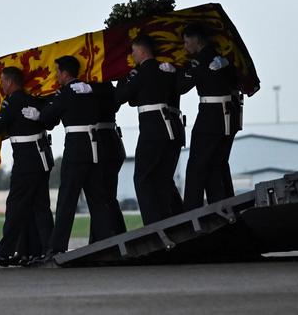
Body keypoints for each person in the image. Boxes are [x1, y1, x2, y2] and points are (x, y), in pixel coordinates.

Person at [24, 55, 115, 258]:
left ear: (65, 73)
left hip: (76, 148)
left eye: (57, 72)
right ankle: (109, 243)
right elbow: (111, 96)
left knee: (67, 199)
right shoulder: (90, 89)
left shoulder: (65, 93)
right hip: (95, 146)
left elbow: (49, 118)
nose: (55, 76)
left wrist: (38, 114)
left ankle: (56, 247)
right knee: (97, 198)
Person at [0, 66, 54, 267]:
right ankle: (47, 249)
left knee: (15, 206)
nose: (1, 84)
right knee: (40, 206)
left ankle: (4, 251)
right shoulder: (34, 100)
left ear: (10, 82)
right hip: (41, 157)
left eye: (2, 81)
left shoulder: (13, 100)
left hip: (27, 161)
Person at [116, 35, 181, 225]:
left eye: (134, 52)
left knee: (142, 178)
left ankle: (153, 224)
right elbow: (136, 98)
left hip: (153, 130)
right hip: (172, 128)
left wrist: (122, 76)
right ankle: (171, 219)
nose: (132, 56)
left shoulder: (143, 72)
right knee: (162, 179)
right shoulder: (166, 70)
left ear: (142, 51)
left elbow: (121, 97)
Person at [177, 24, 241, 210]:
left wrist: (181, 68)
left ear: (197, 39)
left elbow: (181, 87)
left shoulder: (201, 60)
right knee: (217, 165)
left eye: (187, 41)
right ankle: (225, 205)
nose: (185, 46)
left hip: (210, 118)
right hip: (230, 115)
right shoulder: (224, 59)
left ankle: (191, 211)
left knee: (196, 165)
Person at [90, 81, 127, 238]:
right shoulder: (109, 89)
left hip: (101, 144)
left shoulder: (91, 90)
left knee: (100, 195)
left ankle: (102, 236)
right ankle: (116, 232)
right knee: (108, 195)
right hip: (113, 140)